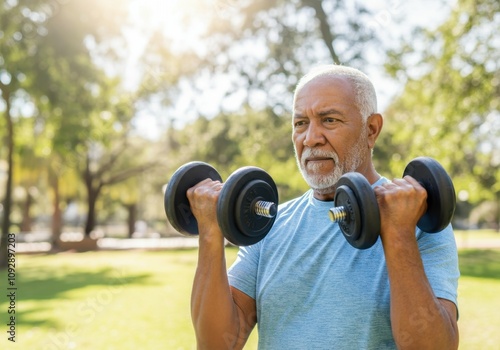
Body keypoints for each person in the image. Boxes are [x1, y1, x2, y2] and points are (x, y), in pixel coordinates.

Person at [186, 65, 460, 349]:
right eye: (301, 123)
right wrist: (210, 231)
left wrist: (399, 233)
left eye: (329, 120)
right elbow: (216, 344)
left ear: (371, 129)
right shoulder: (269, 225)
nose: (310, 138)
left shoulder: (419, 220)